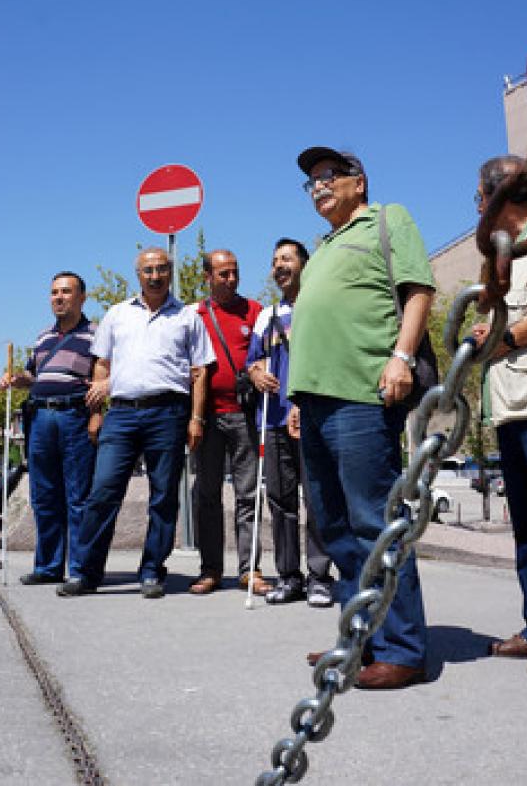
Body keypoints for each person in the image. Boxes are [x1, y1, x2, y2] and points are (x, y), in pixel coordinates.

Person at [288, 147, 435, 690]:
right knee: (336, 529)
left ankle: (403, 649)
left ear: (359, 181)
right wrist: (300, 400)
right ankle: (359, 637)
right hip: (317, 401)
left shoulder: (386, 218)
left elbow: (417, 290)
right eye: (311, 183)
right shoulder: (324, 245)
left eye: (328, 176)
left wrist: (400, 356)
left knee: (374, 522)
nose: (319, 187)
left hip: (363, 395)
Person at [57, 247, 214, 599]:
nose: (155, 276)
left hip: (169, 414)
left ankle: (152, 571)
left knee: (163, 499)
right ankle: (85, 572)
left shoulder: (188, 317)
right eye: (148, 270)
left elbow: (200, 372)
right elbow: (102, 366)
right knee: (102, 494)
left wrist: (196, 418)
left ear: (169, 273)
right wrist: (96, 412)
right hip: (122, 414)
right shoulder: (117, 314)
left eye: (161, 269)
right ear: (138, 274)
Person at [472, 156, 527, 676]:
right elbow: (491, 311)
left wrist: (505, 337)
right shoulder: (500, 254)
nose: (478, 208)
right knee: (526, 527)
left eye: (479, 197)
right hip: (509, 405)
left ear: (499, 195)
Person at [246, 238, 333, 607]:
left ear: (304, 264)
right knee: (280, 502)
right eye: (274, 260)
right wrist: (255, 373)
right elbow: (253, 361)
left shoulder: (321, 306)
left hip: (312, 417)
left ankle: (319, 577)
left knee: (317, 499)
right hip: (273, 419)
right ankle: (288, 576)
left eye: (286, 259)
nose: (279, 266)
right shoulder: (266, 316)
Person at [0, 272, 97, 586]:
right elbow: (34, 374)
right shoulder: (43, 337)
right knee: (44, 495)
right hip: (40, 418)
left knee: (78, 496)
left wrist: (97, 417)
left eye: (66, 291)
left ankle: (80, 571)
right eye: (54, 292)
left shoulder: (97, 335)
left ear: (82, 297)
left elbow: (103, 377)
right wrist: (17, 379)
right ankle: (48, 566)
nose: (59, 297)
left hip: (74, 415)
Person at [189, 249, 269, 596]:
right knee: (206, 495)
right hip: (206, 419)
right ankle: (210, 570)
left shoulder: (255, 311)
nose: (231, 279)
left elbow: (268, 353)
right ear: (208, 277)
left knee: (248, 495)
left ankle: (250, 570)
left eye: (235, 272)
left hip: (245, 416)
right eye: (223, 274)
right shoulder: (195, 314)